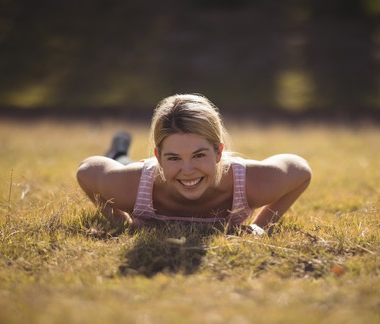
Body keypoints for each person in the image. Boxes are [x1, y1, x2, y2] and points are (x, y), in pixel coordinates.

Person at [77, 94, 311, 235]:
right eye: (174, 158)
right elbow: (87, 171)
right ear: (158, 158)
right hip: (135, 170)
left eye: (199, 155)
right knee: (119, 160)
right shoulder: (131, 186)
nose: (188, 171)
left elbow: (300, 170)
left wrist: (263, 226)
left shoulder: (250, 184)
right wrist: (122, 222)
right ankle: (119, 149)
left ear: (219, 152)